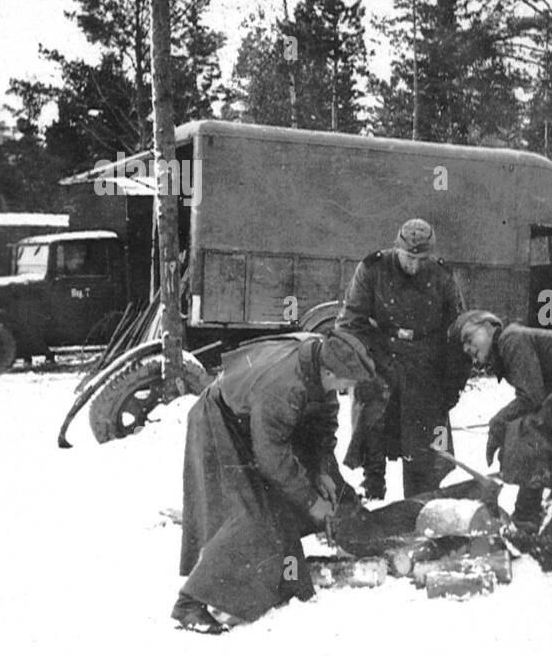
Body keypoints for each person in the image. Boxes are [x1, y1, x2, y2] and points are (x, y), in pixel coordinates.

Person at [171, 329, 376, 634]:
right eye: (348, 383)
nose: (348, 390)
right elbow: (272, 459)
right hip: (220, 421)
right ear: (330, 372)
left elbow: (323, 423)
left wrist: (321, 470)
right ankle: (190, 603)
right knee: (252, 513)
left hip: (258, 424)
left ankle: (284, 579)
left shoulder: (318, 368)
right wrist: (311, 502)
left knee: (282, 500)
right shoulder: (283, 387)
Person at [337, 218, 471, 500]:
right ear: (397, 248)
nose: (413, 264)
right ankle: (373, 489)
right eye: (408, 256)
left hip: (424, 365)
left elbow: (458, 332)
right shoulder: (372, 268)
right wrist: (368, 365)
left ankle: (418, 501)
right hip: (381, 355)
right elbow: (351, 322)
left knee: (421, 444)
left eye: (420, 258)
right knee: (373, 425)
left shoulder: (443, 276)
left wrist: (452, 385)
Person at [449, 309, 552, 569]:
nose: (468, 348)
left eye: (470, 338)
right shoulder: (506, 346)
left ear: (490, 326)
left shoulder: (510, 340)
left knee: (527, 430)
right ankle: (527, 519)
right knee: (527, 429)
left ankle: (528, 519)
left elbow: (532, 396)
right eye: (464, 347)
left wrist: (498, 423)